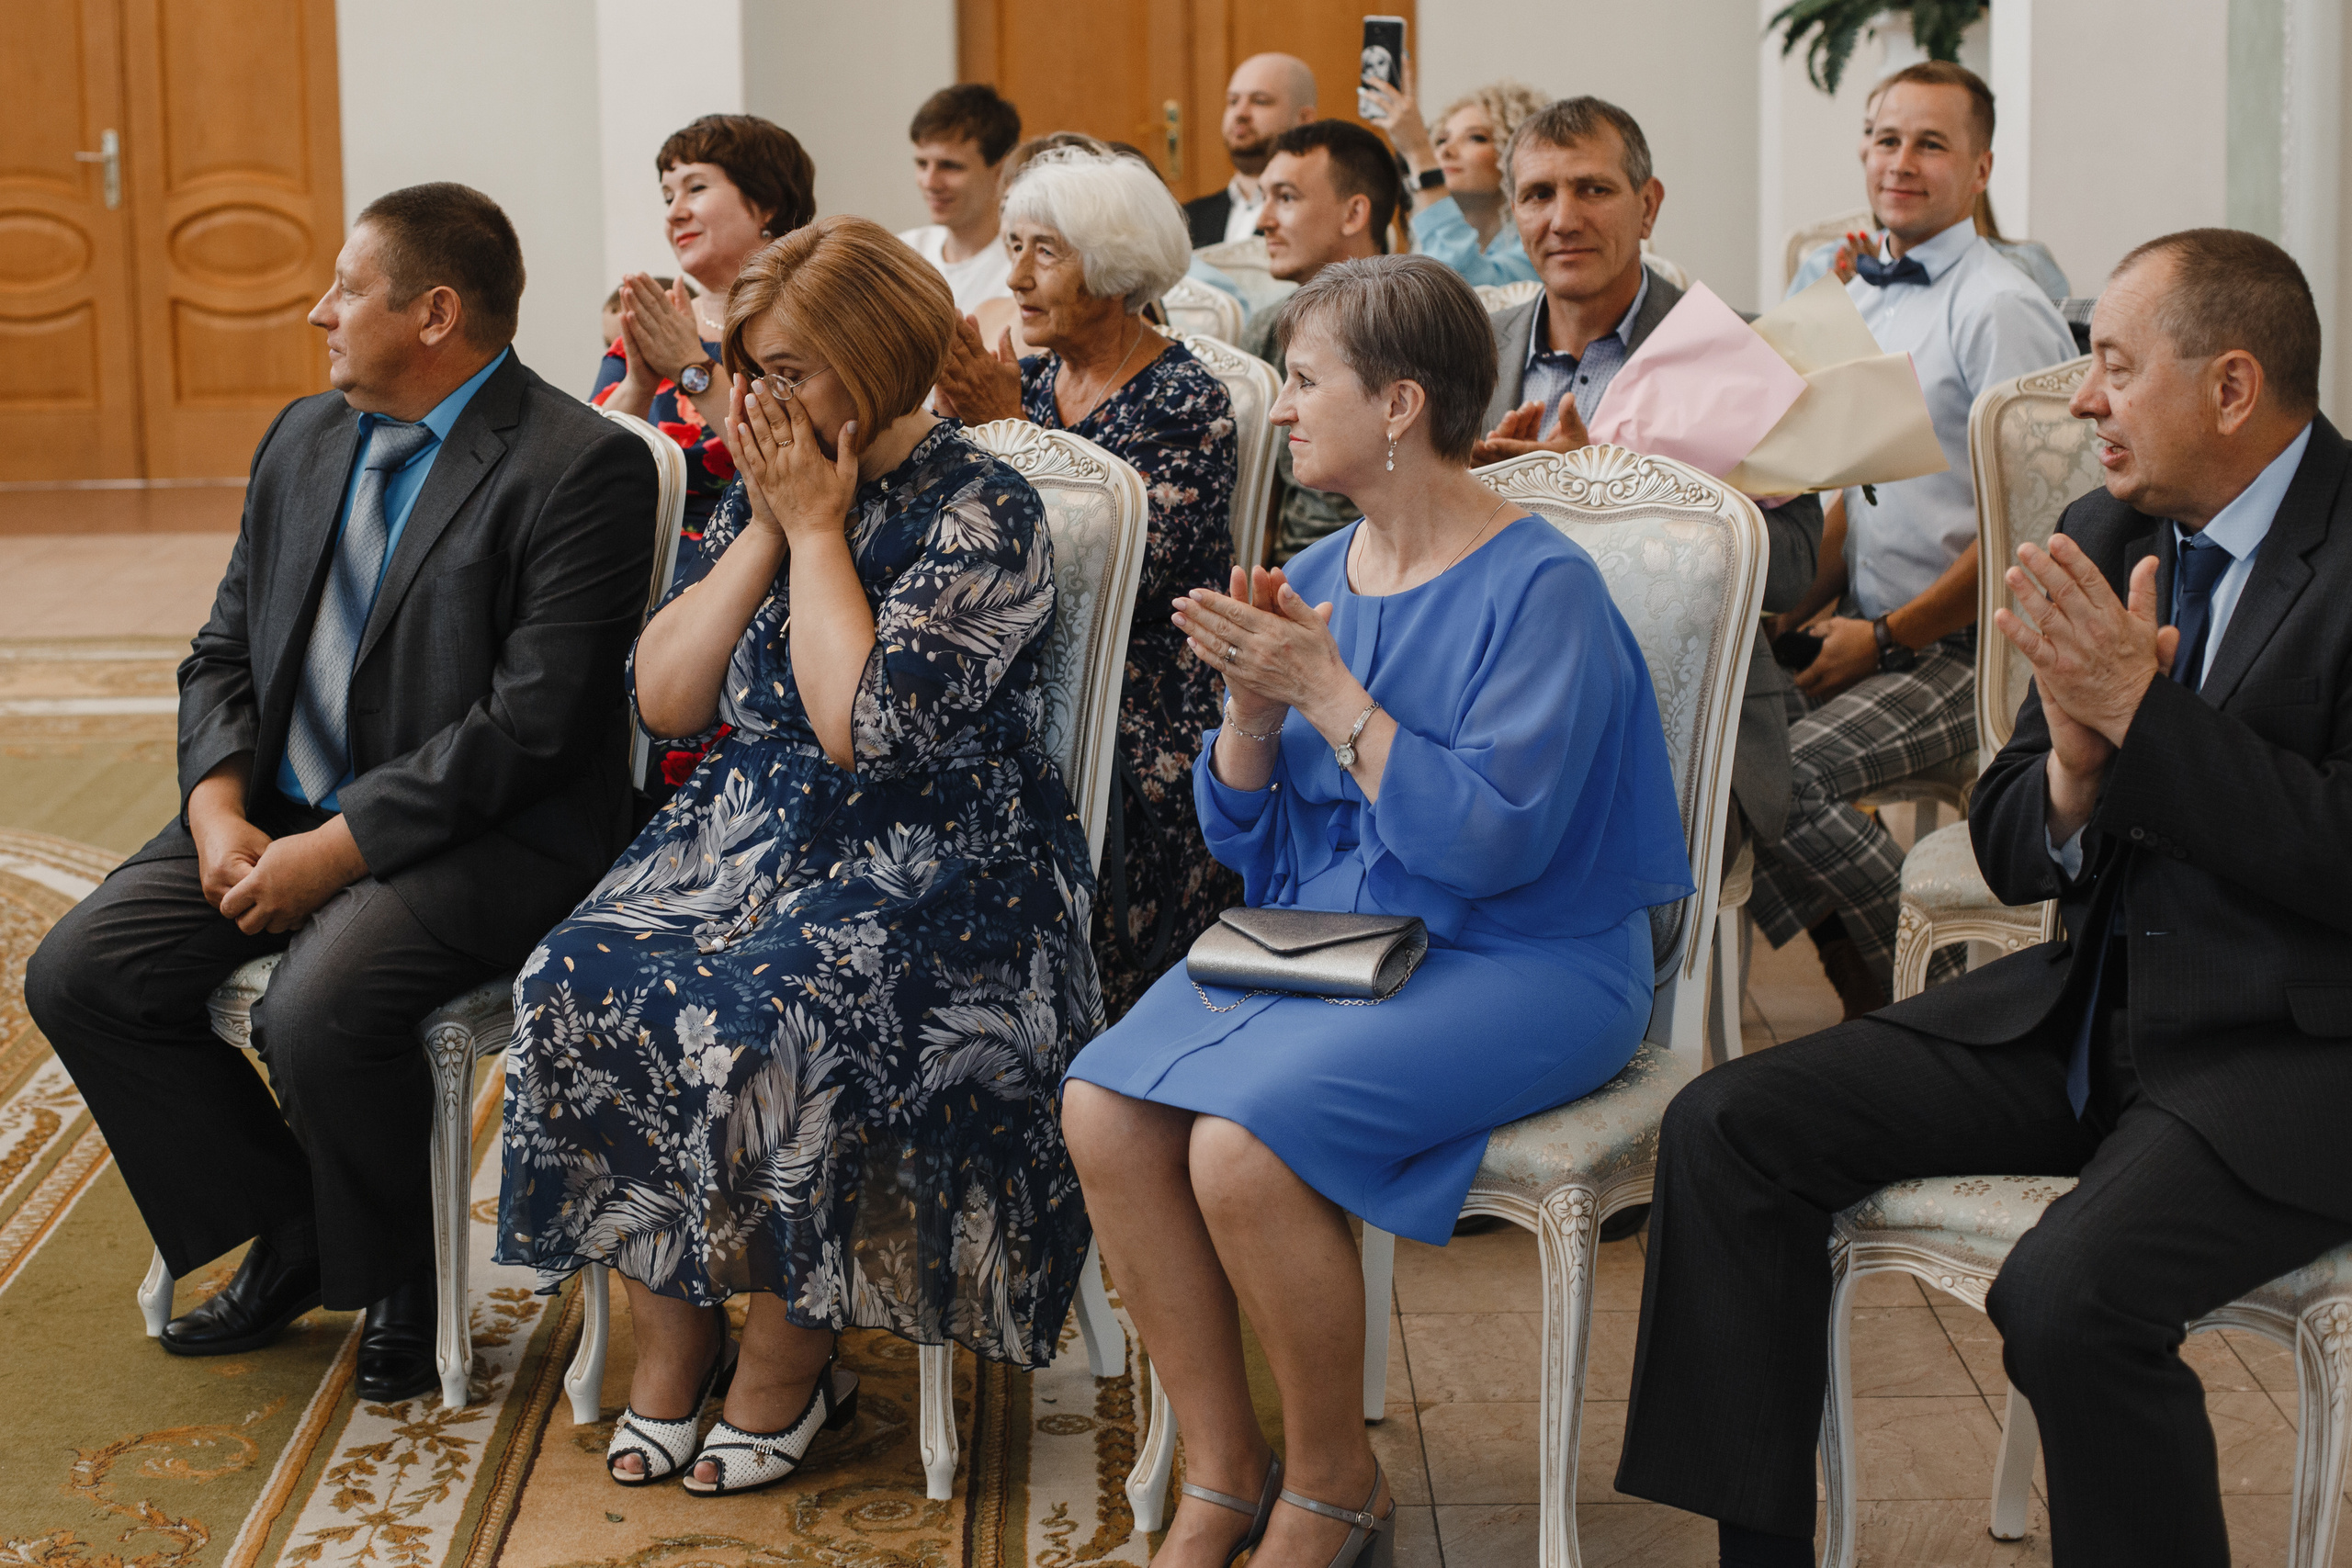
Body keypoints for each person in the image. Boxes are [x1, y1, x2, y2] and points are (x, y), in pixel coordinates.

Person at [1618, 228, 2352, 1568]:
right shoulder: (2103, 532)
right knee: (1726, 1126)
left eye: (2117, 367)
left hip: (2296, 1049)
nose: (2081, 401)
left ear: (2234, 386)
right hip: (2092, 1011)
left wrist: (2142, 715)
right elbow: (2013, 840)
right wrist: (2075, 770)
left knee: (2068, 1298)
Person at [1063, 254, 1692, 1568]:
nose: (1279, 409)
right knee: (1103, 1106)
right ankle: (1226, 1473)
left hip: (1528, 951)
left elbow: (1493, 844)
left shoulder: (1543, 589)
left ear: (1400, 404)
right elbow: (1254, 843)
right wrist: (1252, 707)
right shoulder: (1327, 568)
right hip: (1337, 937)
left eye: (1303, 381)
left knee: (1239, 1144)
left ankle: (1337, 1489)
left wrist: (1334, 695)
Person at [24, 183, 658, 1404]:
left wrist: (340, 850)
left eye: (346, 290)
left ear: (434, 313)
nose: (318, 312)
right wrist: (217, 808)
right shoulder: (305, 437)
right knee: (82, 972)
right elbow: (222, 651)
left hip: (490, 830)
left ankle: (409, 1277)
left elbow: (530, 727)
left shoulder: (579, 464)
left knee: (317, 1009)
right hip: (280, 801)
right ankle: (301, 1224)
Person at [496, 217, 1101, 1495]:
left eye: (793, 370)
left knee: (781, 1010)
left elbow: (860, 725)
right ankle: (678, 1335)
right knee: (575, 973)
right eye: (749, 366)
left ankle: (788, 1357)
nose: (761, 397)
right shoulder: (769, 490)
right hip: (750, 831)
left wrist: (820, 530)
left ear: (877, 362)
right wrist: (769, 527)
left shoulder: (984, 509)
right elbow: (664, 697)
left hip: (943, 856)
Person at [1472, 96, 1825, 1011]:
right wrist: (1475, 491)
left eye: (1592, 188)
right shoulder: (1473, 356)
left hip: (1687, 716)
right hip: (1507, 705)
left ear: (1648, 203)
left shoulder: (1723, 354)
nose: (1562, 218)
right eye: (1538, 193)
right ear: (1511, 212)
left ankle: (1624, 1071)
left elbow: (1791, 570)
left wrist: (1613, 493)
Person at [1746, 61, 2076, 1016]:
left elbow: (2029, 533)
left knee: (1784, 778)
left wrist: (1886, 640)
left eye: (1931, 142)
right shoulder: (1869, 295)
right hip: (1872, 624)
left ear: (1978, 168)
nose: (1902, 161)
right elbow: (1869, 495)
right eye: (1887, 139)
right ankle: (1865, 992)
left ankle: (1936, 1000)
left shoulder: (2001, 308)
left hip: (1974, 651)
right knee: (1718, 758)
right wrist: (1793, 616)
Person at [933, 148, 1239, 1023]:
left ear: (1111, 268)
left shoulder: (1185, 398)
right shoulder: (1026, 380)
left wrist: (1007, 435)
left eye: (1046, 253)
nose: (1016, 277)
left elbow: (1117, 576)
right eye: (1014, 247)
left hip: (1144, 695)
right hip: (1023, 666)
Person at [594, 114, 818, 562]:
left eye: (695, 189)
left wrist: (689, 367)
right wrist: (639, 382)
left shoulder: (813, 329)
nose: (674, 212)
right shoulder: (659, 325)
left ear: (767, 202)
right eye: (667, 196)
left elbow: (799, 470)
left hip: (769, 563)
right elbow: (586, 472)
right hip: (636, 566)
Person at [1242, 119, 1402, 566]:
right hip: (1286, 573)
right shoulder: (1267, 327)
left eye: (1286, 198)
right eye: (1264, 198)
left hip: (1388, 570)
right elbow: (1258, 497)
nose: (1263, 221)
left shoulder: (1413, 328)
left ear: (1354, 214)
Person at [1362, 71, 1546, 286]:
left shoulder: (1541, 244)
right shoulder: (1421, 248)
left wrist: (1419, 152)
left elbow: (1460, 285)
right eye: (1441, 140)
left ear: (1519, 154)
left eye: (1476, 138)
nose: (1445, 151)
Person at [896, 83, 1022, 315]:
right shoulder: (902, 255)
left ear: (1000, 172)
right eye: (922, 164)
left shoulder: (1021, 272)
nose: (930, 182)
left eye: (950, 166)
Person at [1183, 52, 1317, 248]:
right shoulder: (1187, 218)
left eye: (1260, 101)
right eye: (1233, 101)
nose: (1240, 113)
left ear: (1304, 119)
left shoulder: (1320, 217)